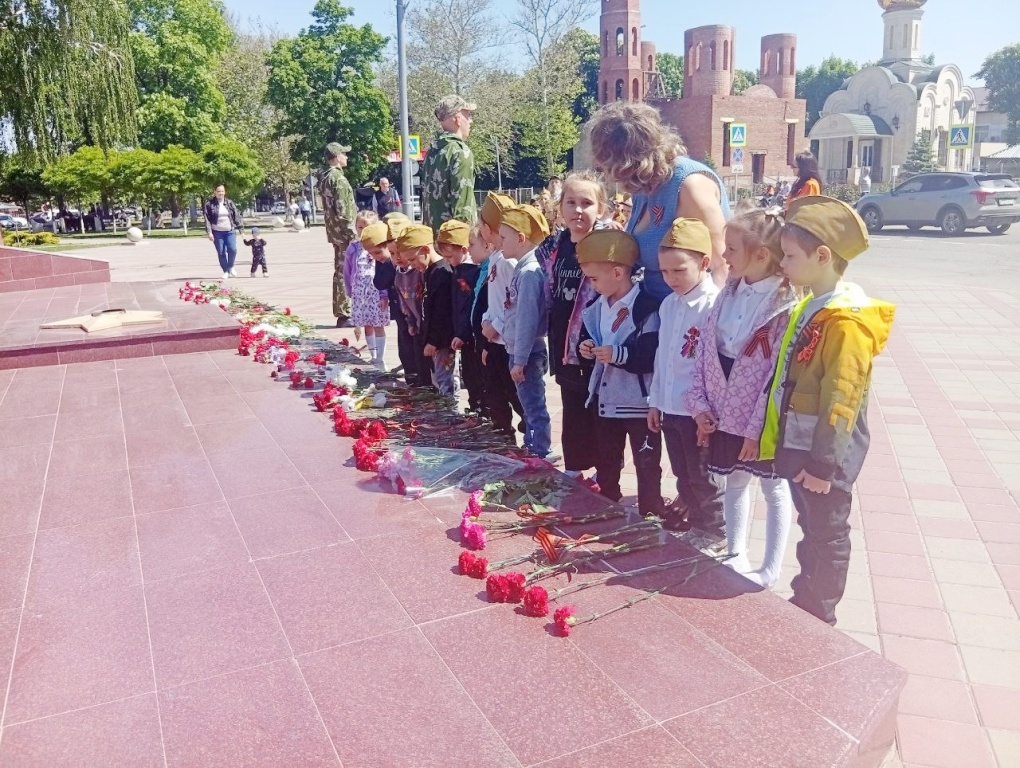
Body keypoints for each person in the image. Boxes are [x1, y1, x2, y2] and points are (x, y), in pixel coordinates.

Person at [762, 196, 895, 625]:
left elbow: (843, 397)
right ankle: (806, 598)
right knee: (813, 529)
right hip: (802, 446)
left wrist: (823, 464)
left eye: (789, 256)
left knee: (828, 534)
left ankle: (821, 614)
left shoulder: (846, 323)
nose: (782, 263)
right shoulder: (813, 306)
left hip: (824, 456)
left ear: (822, 256)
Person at [686, 209, 799, 587]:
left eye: (732, 249)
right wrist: (700, 404)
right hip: (725, 406)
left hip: (758, 413)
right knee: (734, 482)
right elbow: (706, 350)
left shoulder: (784, 306)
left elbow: (775, 375)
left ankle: (770, 568)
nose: (724, 256)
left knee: (772, 484)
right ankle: (736, 555)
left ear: (761, 255)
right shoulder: (727, 294)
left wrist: (756, 429)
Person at [588, 101, 731, 299]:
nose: (605, 173)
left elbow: (722, 266)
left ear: (626, 162)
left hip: (690, 312)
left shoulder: (690, 186)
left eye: (606, 164)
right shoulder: (642, 185)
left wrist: (713, 316)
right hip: (656, 307)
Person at [647, 218, 725, 538]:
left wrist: (706, 410)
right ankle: (696, 527)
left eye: (679, 270)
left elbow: (715, 367)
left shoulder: (714, 305)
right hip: (671, 407)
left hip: (697, 411)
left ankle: (716, 533)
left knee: (704, 477)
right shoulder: (668, 305)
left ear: (704, 263)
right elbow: (662, 357)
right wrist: (656, 401)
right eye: (664, 272)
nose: (671, 279)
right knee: (682, 474)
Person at [577, 230, 664, 518]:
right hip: (605, 401)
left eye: (594, 279)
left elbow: (651, 355)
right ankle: (609, 506)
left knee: (646, 461)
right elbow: (587, 338)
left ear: (617, 272)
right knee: (607, 459)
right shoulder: (596, 307)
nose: (591, 285)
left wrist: (618, 355)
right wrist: (585, 348)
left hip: (639, 404)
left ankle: (651, 511)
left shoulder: (647, 308)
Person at [539, 170, 608, 483]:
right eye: (571, 202)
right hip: (563, 342)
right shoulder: (556, 244)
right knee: (571, 404)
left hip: (595, 342)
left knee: (597, 407)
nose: (578, 210)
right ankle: (575, 465)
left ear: (600, 208)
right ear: (560, 207)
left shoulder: (607, 245)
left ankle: (605, 469)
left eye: (587, 203)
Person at [500, 204, 553, 459]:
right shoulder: (523, 268)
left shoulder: (530, 272)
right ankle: (533, 446)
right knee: (528, 403)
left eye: (503, 238)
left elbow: (527, 320)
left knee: (533, 406)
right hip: (522, 351)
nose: (499, 243)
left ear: (521, 238)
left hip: (527, 353)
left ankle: (540, 451)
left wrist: (519, 360)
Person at [478, 192, 527, 440]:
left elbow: (515, 301)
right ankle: (502, 437)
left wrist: (496, 325)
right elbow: (494, 300)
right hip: (495, 341)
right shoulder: (495, 258)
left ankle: (533, 438)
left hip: (508, 341)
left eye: (480, 224)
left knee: (517, 396)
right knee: (496, 394)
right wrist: (487, 324)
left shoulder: (508, 262)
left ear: (488, 228)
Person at [397, 223, 458, 395]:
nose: (411, 265)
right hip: (435, 339)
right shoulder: (430, 271)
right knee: (437, 378)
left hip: (443, 340)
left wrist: (433, 341)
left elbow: (441, 313)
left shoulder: (442, 273)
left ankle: (449, 408)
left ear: (425, 249)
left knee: (445, 379)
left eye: (412, 259)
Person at [436, 219, 485, 414]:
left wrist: (463, 333)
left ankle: (481, 410)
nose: (447, 261)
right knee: (469, 377)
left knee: (478, 377)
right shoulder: (457, 270)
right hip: (463, 337)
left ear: (464, 250)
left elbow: (469, 306)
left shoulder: (472, 271)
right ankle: (474, 407)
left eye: (450, 256)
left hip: (472, 336)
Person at [369, 214, 418, 382]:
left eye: (400, 252)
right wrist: (383, 262)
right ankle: (412, 383)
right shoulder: (391, 264)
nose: (397, 257)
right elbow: (379, 282)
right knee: (405, 353)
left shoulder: (416, 269)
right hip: (401, 314)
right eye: (392, 253)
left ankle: (419, 385)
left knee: (417, 355)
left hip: (417, 320)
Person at [420, 95, 478, 233]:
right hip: (453, 239)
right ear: (457, 119)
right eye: (468, 115)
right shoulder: (460, 152)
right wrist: (463, 237)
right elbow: (463, 208)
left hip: (433, 237)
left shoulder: (432, 152)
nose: (470, 121)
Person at [318, 142, 356, 327]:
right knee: (344, 272)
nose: (346, 157)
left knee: (340, 271)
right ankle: (344, 314)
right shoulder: (338, 179)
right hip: (344, 234)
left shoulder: (326, 177)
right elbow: (343, 210)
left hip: (335, 233)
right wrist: (353, 232)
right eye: (344, 154)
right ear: (337, 156)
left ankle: (343, 312)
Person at [346, 212, 390, 370]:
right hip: (360, 293)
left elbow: (385, 272)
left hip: (376, 292)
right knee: (367, 325)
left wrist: (385, 294)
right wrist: (349, 290)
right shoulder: (353, 248)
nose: (363, 231)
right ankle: (373, 356)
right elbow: (347, 270)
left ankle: (380, 358)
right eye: (360, 227)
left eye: (368, 227)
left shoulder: (380, 247)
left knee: (378, 324)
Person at [203, 184, 243, 279]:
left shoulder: (229, 203)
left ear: (225, 192)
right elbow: (207, 219)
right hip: (217, 232)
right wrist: (209, 232)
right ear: (215, 192)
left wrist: (241, 229)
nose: (220, 193)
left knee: (233, 249)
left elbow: (236, 216)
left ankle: (231, 266)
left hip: (230, 231)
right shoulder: (209, 204)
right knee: (221, 252)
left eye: (222, 191)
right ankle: (226, 271)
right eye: (218, 191)